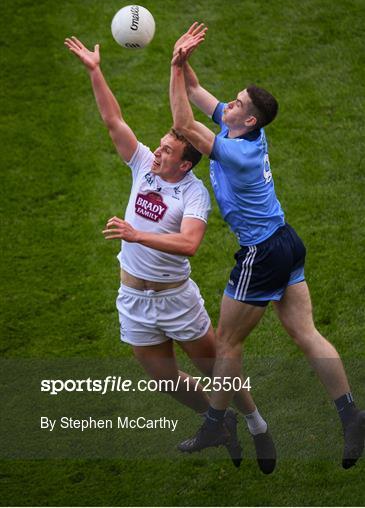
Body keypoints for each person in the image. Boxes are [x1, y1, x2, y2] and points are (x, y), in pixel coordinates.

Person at [64, 35, 277, 473]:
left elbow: (190, 245)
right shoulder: (143, 164)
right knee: (164, 380)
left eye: (166, 150)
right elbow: (113, 121)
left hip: (175, 298)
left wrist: (137, 237)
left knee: (217, 367)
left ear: (185, 163)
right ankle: (216, 424)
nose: (156, 152)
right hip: (134, 300)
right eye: (159, 147)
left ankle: (256, 423)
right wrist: (94, 70)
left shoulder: (193, 194)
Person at [169, 23, 365, 469]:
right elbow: (195, 91)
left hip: (261, 251)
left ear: (249, 119)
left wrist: (172, 67)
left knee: (228, 345)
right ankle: (351, 414)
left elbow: (183, 123)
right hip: (286, 242)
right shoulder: (243, 130)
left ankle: (215, 424)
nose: (228, 104)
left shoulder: (235, 151)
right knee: (304, 332)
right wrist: (183, 61)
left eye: (235, 103)